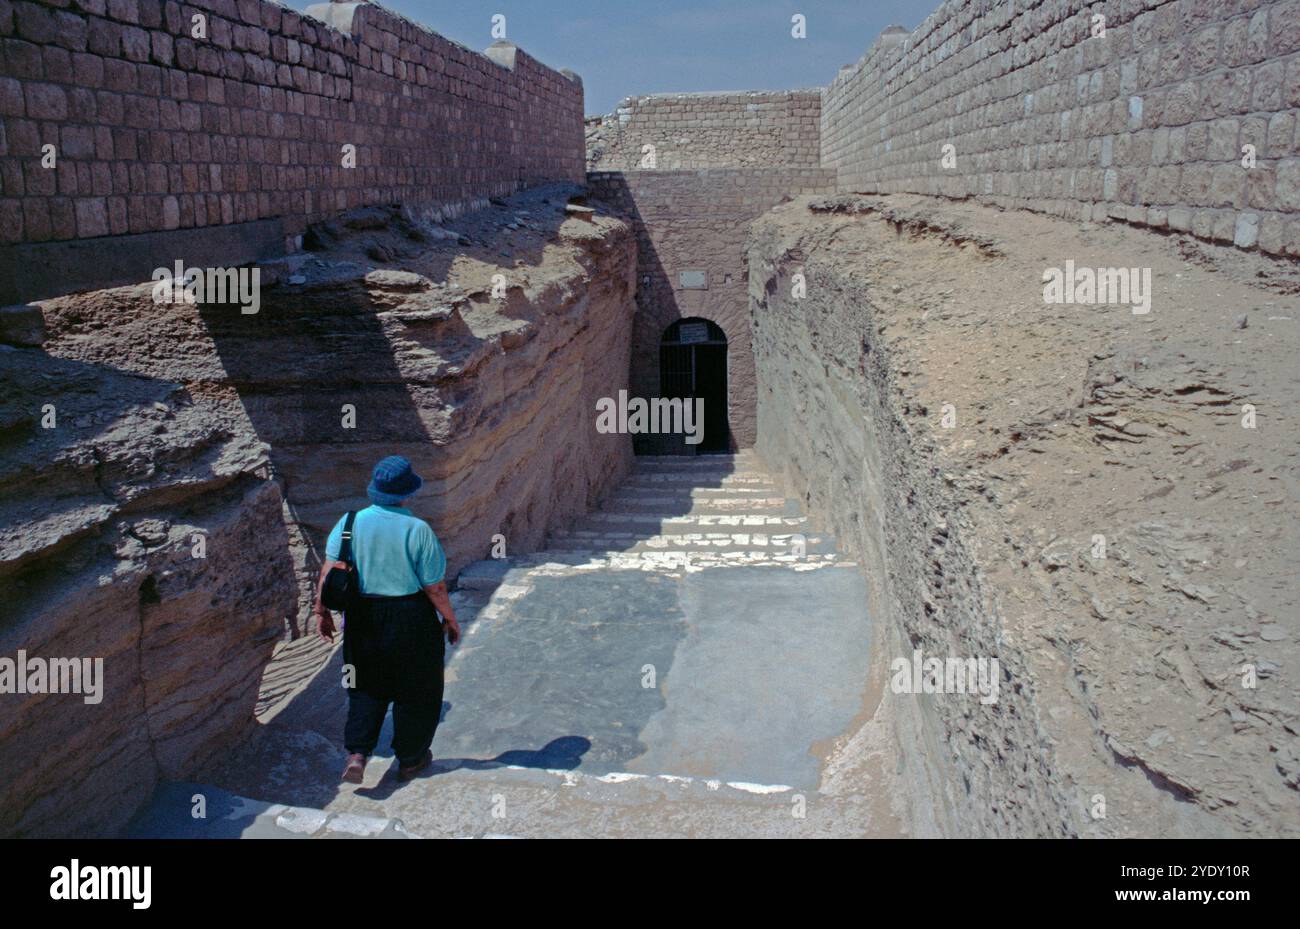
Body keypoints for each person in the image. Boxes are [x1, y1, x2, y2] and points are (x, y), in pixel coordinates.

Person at [313, 455, 461, 784]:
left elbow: (328, 571)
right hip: (411, 617)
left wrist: (320, 611)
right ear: (407, 492)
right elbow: (434, 587)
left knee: (364, 686)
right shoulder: (418, 529)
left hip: (362, 618)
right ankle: (410, 759)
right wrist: (450, 620)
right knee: (418, 689)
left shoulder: (349, 522)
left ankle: (357, 754)